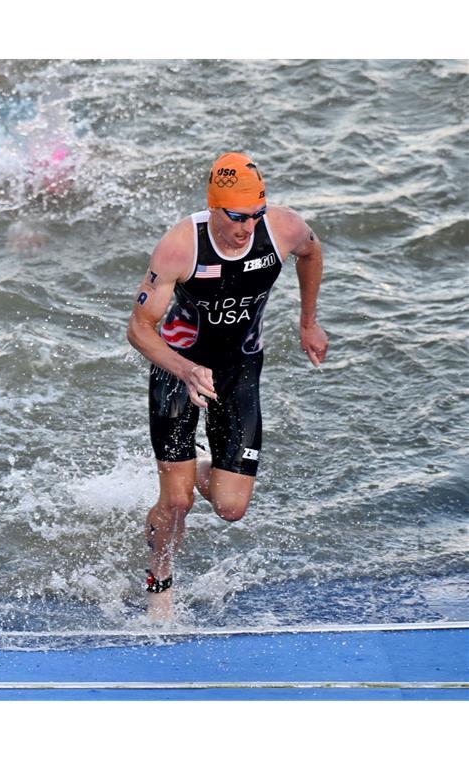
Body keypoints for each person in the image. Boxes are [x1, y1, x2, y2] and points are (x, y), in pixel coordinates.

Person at [126, 152, 328, 620]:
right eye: (237, 217)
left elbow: (312, 252)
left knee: (231, 509)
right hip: (179, 367)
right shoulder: (180, 246)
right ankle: (159, 584)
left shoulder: (284, 229)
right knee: (176, 502)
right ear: (213, 207)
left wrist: (308, 321)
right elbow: (138, 328)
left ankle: (197, 469)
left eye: (255, 215)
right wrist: (183, 369)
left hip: (239, 369)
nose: (246, 228)